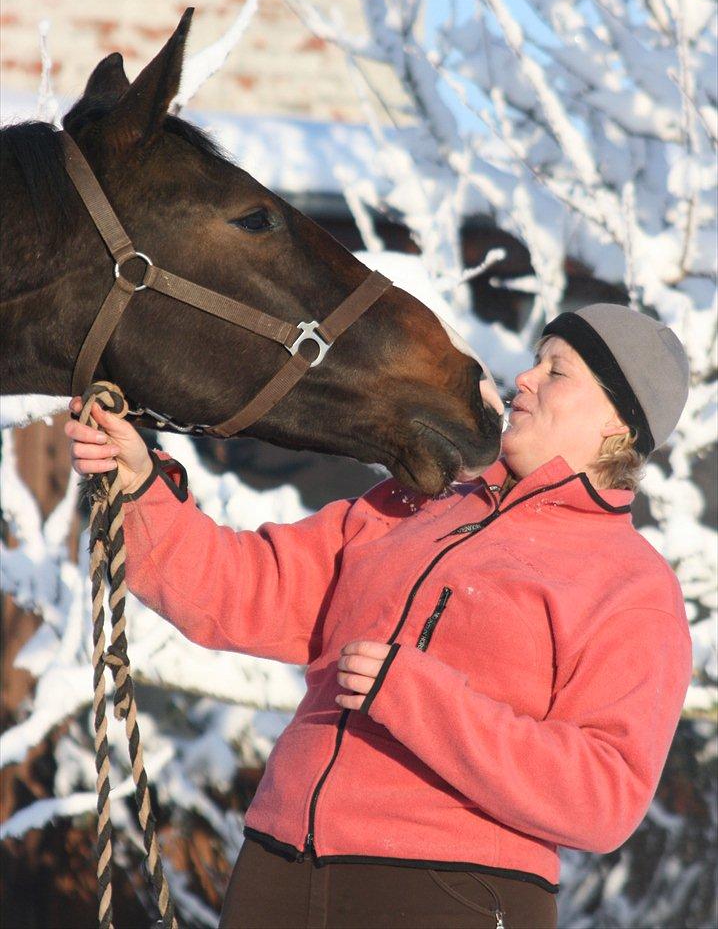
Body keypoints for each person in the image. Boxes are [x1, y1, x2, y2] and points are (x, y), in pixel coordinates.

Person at [65, 303, 694, 929]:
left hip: (452, 891)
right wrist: (140, 486)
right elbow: (240, 589)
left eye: (557, 371)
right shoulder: (415, 501)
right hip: (278, 869)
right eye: (533, 361)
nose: (523, 379)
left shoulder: (631, 585)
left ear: (618, 425)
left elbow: (602, 795)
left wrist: (417, 697)